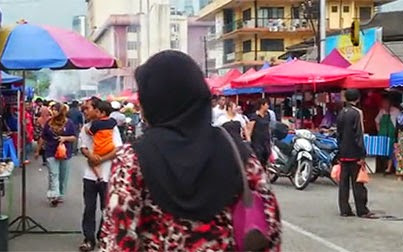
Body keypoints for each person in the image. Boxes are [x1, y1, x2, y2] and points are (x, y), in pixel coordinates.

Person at [100, 50, 281, 251]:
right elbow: (270, 228)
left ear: (154, 100)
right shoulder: (239, 153)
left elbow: (118, 241)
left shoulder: (133, 160)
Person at [79, 97, 123, 252]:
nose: (86, 111)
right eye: (84, 109)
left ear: (98, 111)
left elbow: (117, 148)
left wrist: (100, 159)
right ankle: (89, 239)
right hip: (89, 176)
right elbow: (83, 147)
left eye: (88, 108)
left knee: (106, 209)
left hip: (107, 175)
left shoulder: (112, 128)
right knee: (89, 208)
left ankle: (102, 236)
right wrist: (90, 156)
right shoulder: (85, 128)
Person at [336, 89, 375, 218]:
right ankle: (362, 210)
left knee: (344, 184)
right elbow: (359, 134)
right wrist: (362, 154)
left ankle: (344, 209)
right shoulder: (357, 113)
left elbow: (339, 134)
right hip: (354, 153)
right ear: (357, 99)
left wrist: (339, 151)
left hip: (343, 152)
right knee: (358, 183)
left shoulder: (341, 113)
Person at [38, 102, 77, 206]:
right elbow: (43, 137)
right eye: (53, 109)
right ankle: (54, 195)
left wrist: (65, 138)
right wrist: (37, 150)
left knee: (63, 175)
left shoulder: (69, 123)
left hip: (65, 153)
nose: (54, 111)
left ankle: (60, 194)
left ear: (61, 111)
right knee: (53, 174)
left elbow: (74, 137)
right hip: (50, 152)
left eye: (56, 109)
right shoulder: (49, 123)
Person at [83, 101, 117, 181]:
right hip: (110, 146)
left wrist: (86, 130)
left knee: (91, 162)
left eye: (97, 112)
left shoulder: (96, 123)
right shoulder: (112, 121)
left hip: (100, 147)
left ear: (103, 113)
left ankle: (99, 176)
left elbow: (90, 133)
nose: (85, 111)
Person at [375, 97, 401, 174]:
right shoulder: (382, 111)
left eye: (385, 103)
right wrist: (379, 130)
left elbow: (400, 121)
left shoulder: (396, 111)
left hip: (392, 134)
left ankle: (389, 168)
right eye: (383, 103)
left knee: (391, 150)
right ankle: (382, 167)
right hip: (382, 134)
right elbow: (376, 120)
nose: (384, 105)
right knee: (382, 150)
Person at [248, 98, 272, 166]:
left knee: (266, 155)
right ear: (262, 105)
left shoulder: (267, 115)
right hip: (257, 141)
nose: (268, 106)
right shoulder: (254, 116)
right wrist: (249, 140)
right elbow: (249, 129)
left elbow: (268, 127)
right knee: (258, 157)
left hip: (266, 140)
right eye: (267, 105)